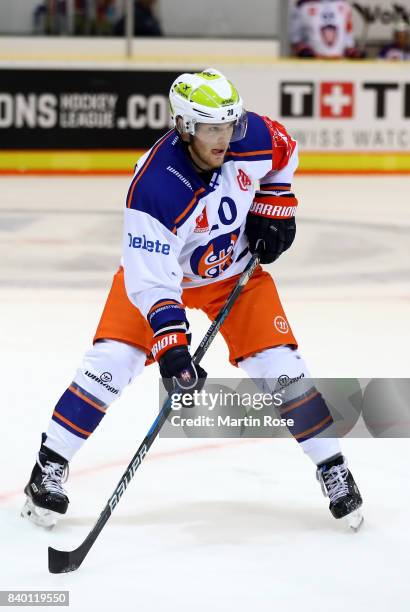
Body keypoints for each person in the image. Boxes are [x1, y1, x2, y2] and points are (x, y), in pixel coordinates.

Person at [22, 68, 363, 531]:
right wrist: (173, 346)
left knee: (282, 368)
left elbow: (285, 150)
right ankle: (50, 465)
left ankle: (333, 468)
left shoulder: (251, 135)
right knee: (110, 364)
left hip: (234, 275)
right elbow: (152, 282)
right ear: (185, 127)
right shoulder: (156, 188)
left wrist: (275, 202)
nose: (224, 137)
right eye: (211, 129)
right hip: (165, 280)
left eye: (229, 125)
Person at [290, 0, 364, 58]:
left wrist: (352, 52)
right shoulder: (303, 6)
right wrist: (305, 52)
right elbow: (296, 40)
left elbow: (348, 39)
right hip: (312, 67)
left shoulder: (344, 5)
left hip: (339, 66)